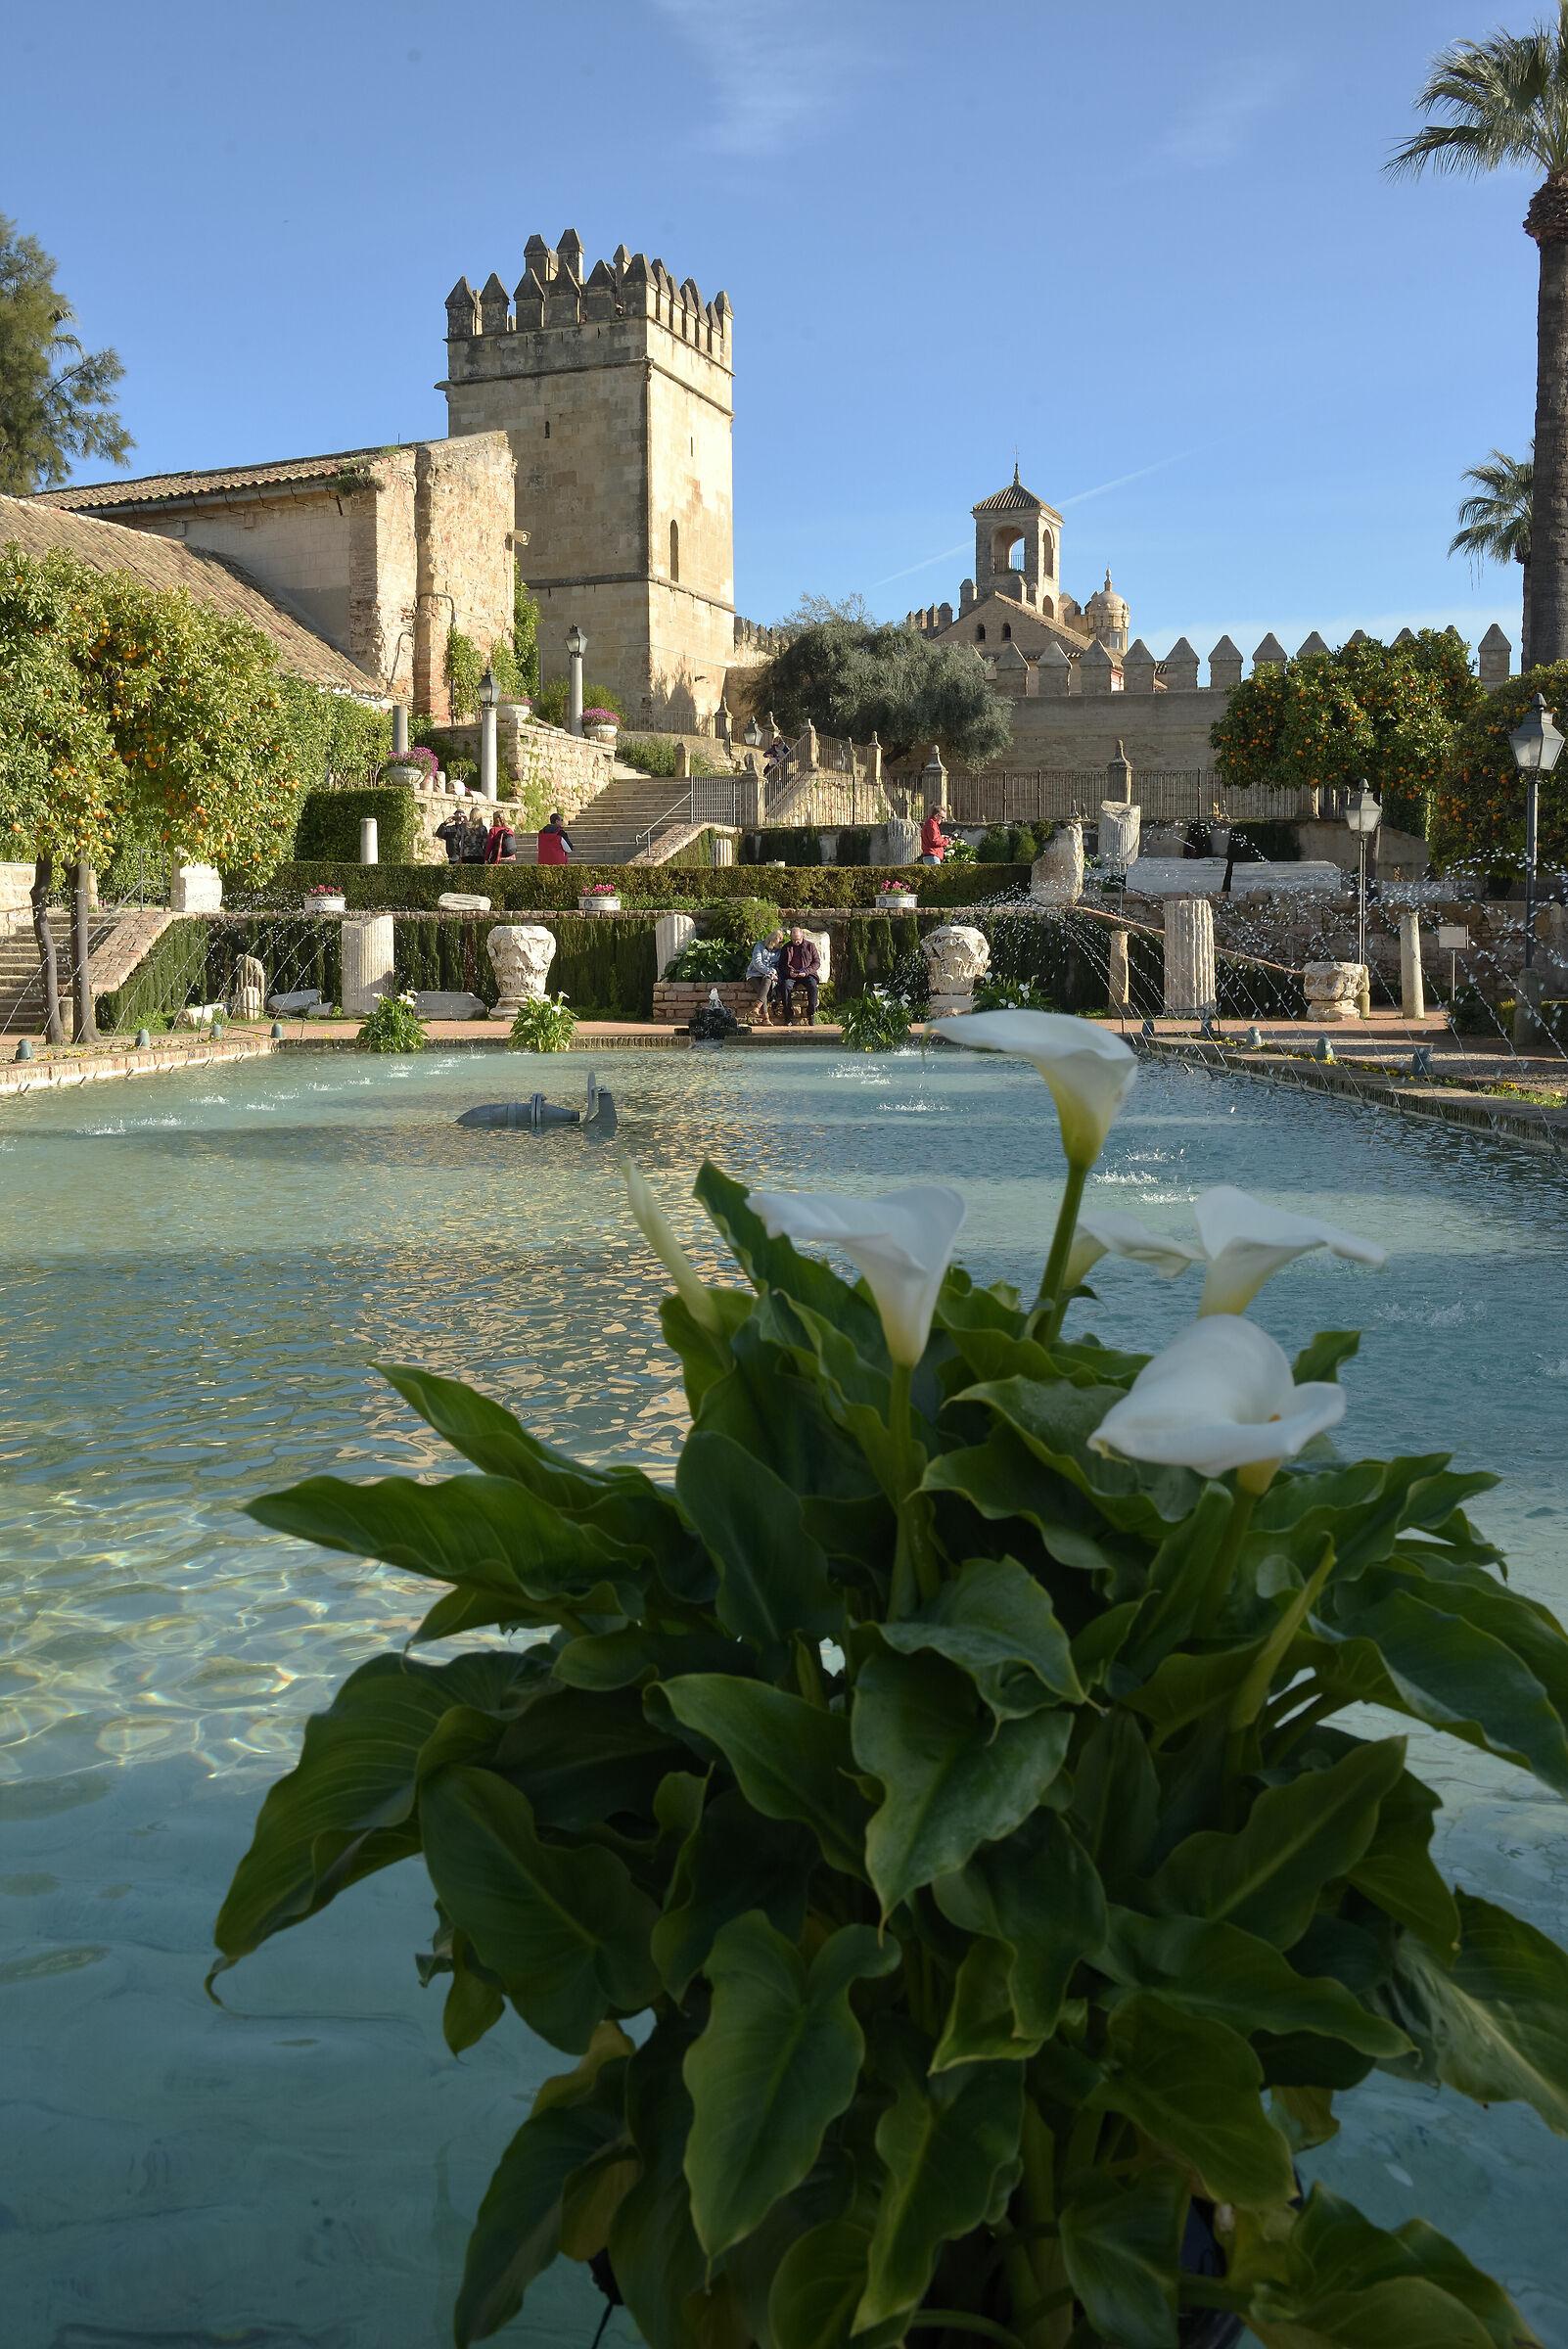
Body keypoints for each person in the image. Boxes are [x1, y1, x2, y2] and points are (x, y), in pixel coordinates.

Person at [779, 926, 821, 1026]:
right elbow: (781, 965)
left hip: (807, 973)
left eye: (798, 939)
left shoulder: (810, 946)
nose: (796, 942)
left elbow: (817, 963)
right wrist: (789, 972)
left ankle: (811, 1013)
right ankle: (788, 1015)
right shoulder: (786, 947)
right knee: (785, 986)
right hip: (792, 974)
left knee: (813, 987)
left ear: (802, 936)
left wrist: (806, 972)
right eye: (794, 940)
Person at [745, 929, 785, 1024]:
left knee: (767, 982)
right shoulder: (759, 945)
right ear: (774, 941)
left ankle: (757, 1007)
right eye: (780, 942)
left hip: (768, 977)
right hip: (754, 974)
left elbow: (778, 966)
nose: (781, 944)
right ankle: (765, 1018)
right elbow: (756, 962)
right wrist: (769, 971)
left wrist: (773, 973)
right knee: (763, 991)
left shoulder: (779, 951)